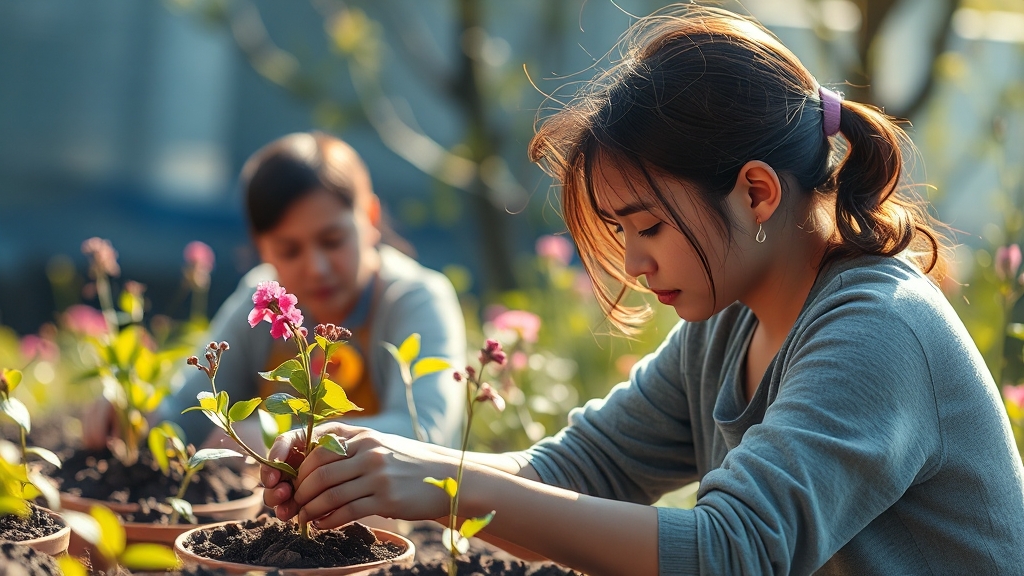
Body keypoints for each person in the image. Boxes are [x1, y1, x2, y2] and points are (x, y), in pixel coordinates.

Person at [259, 7, 1024, 575]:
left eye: (648, 227)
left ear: (756, 193)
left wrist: (442, 482)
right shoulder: (729, 324)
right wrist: (383, 463)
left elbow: (733, 551)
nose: (634, 263)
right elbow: (583, 470)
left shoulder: (879, 331)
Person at [83, 131, 466, 450]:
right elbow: (189, 413)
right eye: (289, 250)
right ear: (261, 248)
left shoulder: (415, 301)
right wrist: (132, 415)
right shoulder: (263, 300)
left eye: (332, 240)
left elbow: (426, 434)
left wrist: (283, 440)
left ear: (370, 219)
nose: (315, 267)